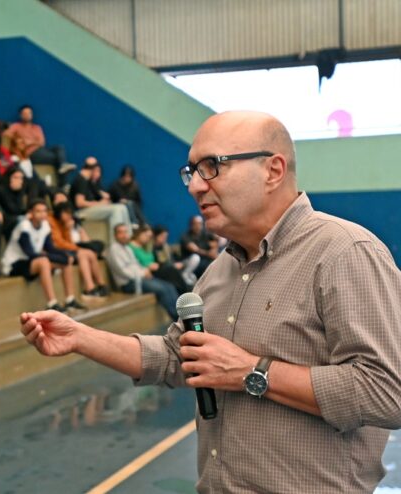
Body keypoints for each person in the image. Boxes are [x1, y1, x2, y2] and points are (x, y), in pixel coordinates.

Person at [21, 111, 401, 493]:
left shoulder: (343, 253)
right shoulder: (221, 270)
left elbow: (387, 392)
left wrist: (253, 373)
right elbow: (176, 357)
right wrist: (79, 337)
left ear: (273, 170)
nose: (195, 187)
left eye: (211, 167)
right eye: (191, 172)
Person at [1, 200, 85, 312]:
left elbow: (50, 248)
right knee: (44, 261)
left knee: (67, 260)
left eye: (44, 211)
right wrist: (57, 258)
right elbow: (30, 253)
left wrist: (65, 255)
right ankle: (52, 303)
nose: (42, 214)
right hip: (15, 264)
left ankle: (70, 300)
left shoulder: (45, 225)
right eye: (38, 211)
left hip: (33, 262)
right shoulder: (24, 227)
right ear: (31, 213)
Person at [107, 223, 179, 319]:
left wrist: (145, 271)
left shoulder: (127, 248)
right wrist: (143, 273)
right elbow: (123, 271)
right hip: (129, 284)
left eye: (125, 232)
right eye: (120, 233)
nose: (124, 235)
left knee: (169, 286)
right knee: (162, 290)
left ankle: (181, 316)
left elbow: (136, 264)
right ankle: (176, 319)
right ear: (115, 235)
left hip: (140, 278)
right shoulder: (114, 249)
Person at [48, 202, 109, 299]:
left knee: (91, 253)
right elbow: (58, 243)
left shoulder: (64, 222)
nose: (69, 216)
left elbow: (68, 241)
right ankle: (89, 288)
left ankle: (101, 285)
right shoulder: (51, 221)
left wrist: (67, 229)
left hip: (65, 248)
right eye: (67, 213)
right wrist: (76, 248)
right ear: (61, 212)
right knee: (82, 254)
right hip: (56, 250)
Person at [2, 105, 75, 184]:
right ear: (21, 115)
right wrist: (19, 140)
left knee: (60, 147)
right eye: (25, 113)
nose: (27, 115)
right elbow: (5, 134)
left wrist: (29, 142)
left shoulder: (37, 127)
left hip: (41, 150)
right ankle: (64, 184)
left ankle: (63, 165)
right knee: (58, 159)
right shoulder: (16, 126)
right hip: (30, 153)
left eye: (29, 113)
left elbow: (42, 142)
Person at [70, 157, 130, 238]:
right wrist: (99, 203)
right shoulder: (81, 180)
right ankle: (116, 242)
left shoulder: (89, 182)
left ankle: (128, 237)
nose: (97, 173)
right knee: (116, 209)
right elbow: (79, 203)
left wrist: (103, 201)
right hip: (80, 213)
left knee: (122, 207)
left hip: (89, 209)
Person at [129, 225, 189, 294]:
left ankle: (185, 292)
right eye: (146, 235)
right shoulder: (131, 246)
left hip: (157, 268)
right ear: (140, 233)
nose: (148, 238)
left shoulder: (145, 246)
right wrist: (147, 267)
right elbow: (134, 263)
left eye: (150, 237)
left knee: (172, 273)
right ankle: (185, 293)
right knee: (171, 270)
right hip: (147, 271)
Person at [180, 215, 218, 279]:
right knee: (196, 258)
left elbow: (215, 241)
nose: (198, 226)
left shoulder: (205, 233)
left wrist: (214, 250)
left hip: (206, 259)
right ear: (191, 225)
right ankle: (185, 275)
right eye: (196, 224)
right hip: (191, 261)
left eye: (200, 224)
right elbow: (195, 250)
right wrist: (209, 254)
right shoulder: (186, 236)